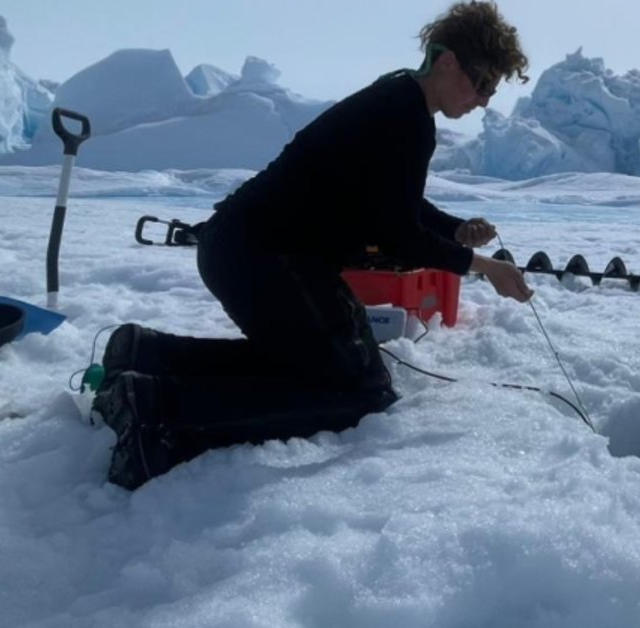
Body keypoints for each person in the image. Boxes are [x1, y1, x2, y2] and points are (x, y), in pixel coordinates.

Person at [93, 1, 533, 490]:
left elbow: (391, 204)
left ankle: (147, 358)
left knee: (312, 364)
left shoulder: (398, 102)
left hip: (246, 249)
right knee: (358, 392)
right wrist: (480, 266)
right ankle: (156, 417)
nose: (484, 100)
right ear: (448, 61)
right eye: (482, 83)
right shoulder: (405, 115)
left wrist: (453, 230)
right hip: (267, 259)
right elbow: (397, 235)